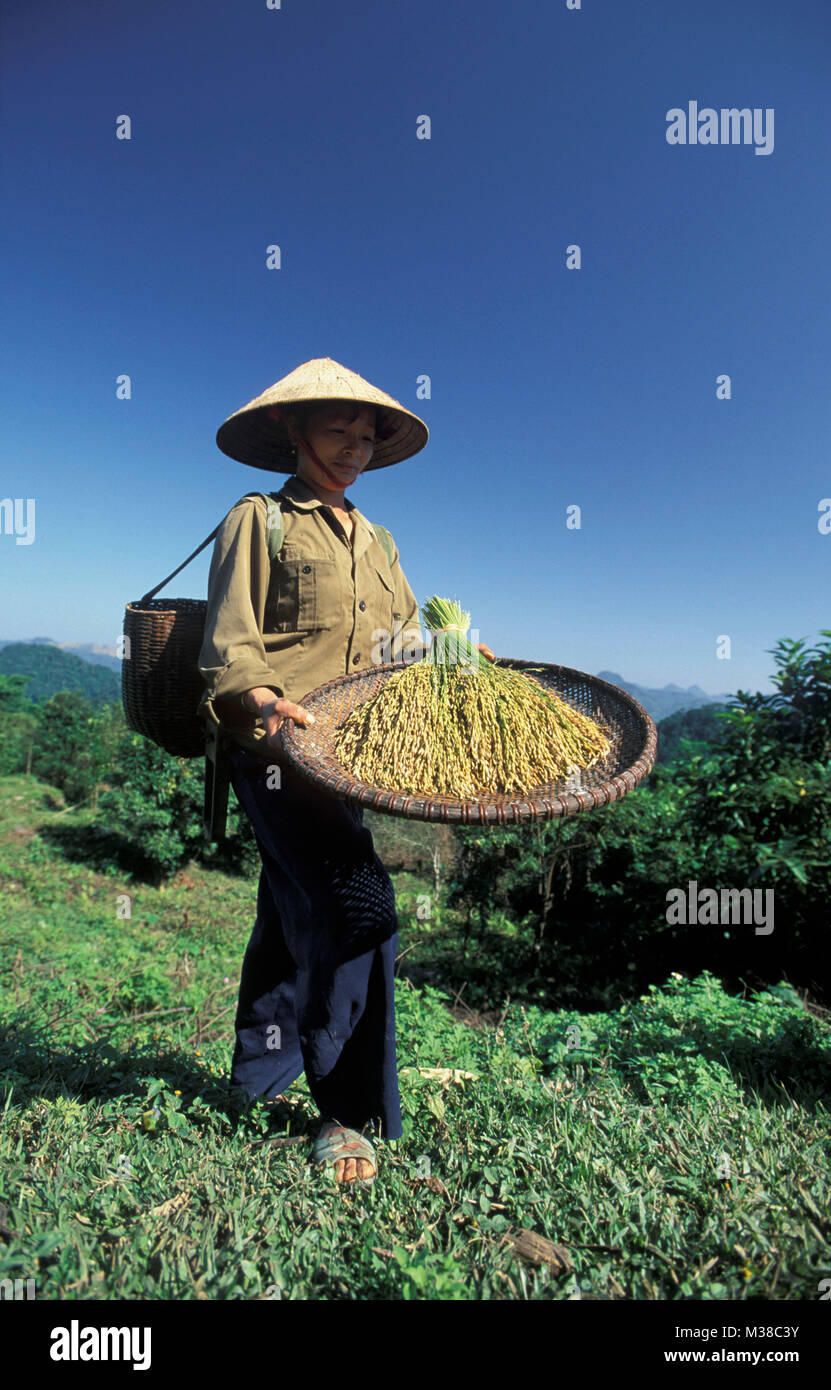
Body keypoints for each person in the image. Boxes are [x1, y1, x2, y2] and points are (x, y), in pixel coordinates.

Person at [197, 357, 494, 1188]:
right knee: (361, 910)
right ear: (294, 432)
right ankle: (346, 1111)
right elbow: (231, 640)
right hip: (277, 753)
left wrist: (453, 654)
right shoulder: (259, 519)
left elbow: (399, 638)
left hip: (354, 761)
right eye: (338, 430)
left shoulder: (378, 539)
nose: (356, 447)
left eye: (367, 435)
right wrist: (259, 698)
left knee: (291, 911)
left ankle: (257, 1080)